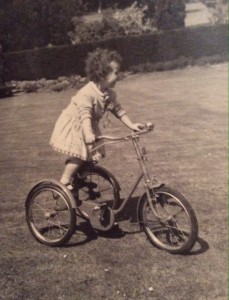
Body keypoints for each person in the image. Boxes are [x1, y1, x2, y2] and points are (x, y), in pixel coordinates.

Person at [50, 48, 143, 189]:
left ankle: (79, 177)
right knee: (80, 155)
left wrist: (131, 125)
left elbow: (118, 110)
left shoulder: (109, 93)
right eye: (116, 73)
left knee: (94, 156)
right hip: (77, 124)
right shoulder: (87, 93)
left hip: (89, 125)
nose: (119, 75)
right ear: (102, 74)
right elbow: (85, 114)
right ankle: (64, 181)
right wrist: (88, 134)